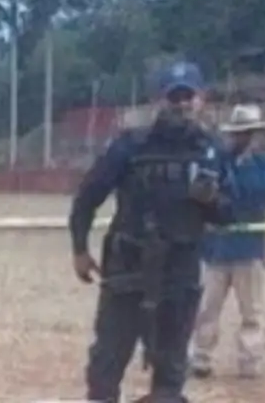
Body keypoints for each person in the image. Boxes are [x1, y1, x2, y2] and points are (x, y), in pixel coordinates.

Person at [68, 61, 236, 403]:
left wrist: (212, 200)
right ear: (159, 101)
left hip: (180, 273)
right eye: (174, 96)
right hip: (128, 269)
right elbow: (87, 197)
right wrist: (80, 250)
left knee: (171, 373)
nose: (181, 104)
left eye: (188, 96)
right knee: (105, 366)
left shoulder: (211, 151)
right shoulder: (130, 146)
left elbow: (228, 214)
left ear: (200, 99)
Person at [190, 104, 265, 379]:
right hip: (217, 248)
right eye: (240, 133)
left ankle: (249, 361)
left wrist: (239, 170)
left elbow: (256, 193)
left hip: (248, 248)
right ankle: (201, 357)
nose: (245, 139)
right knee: (207, 309)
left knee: (251, 311)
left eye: (250, 133)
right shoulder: (216, 159)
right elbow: (204, 192)